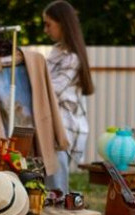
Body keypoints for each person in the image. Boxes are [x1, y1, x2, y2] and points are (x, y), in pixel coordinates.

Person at [42, 0, 95, 196]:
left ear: (63, 24)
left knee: (56, 188)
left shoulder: (72, 58)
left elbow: (50, 89)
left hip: (63, 128)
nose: (45, 30)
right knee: (46, 183)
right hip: (52, 125)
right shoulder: (56, 52)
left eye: (49, 24)